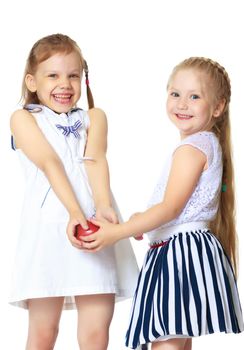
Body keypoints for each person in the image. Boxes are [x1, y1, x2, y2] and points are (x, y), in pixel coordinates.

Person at [82, 57, 244, 349]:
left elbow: (170, 208)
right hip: (181, 250)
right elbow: (176, 208)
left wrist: (118, 232)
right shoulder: (205, 143)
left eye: (195, 96)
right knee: (177, 340)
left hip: (178, 255)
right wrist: (145, 219)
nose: (182, 104)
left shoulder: (191, 149)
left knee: (166, 340)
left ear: (218, 107)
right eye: (175, 94)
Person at [9, 33, 139, 350]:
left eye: (73, 75)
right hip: (48, 232)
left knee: (95, 335)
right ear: (32, 81)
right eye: (52, 75)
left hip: (95, 229)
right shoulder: (22, 118)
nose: (64, 84)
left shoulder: (94, 117)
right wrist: (75, 214)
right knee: (43, 333)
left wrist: (104, 208)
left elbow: (95, 160)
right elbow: (50, 162)